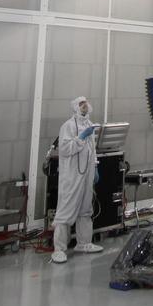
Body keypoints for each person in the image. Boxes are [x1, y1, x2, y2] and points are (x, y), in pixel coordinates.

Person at [51, 96, 102, 263]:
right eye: (81, 104)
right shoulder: (68, 126)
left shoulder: (89, 124)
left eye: (86, 102)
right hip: (72, 175)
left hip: (86, 173)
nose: (85, 105)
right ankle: (59, 249)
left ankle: (84, 243)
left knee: (85, 208)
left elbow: (92, 149)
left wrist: (95, 167)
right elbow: (65, 149)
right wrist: (80, 138)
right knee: (66, 209)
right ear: (75, 107)